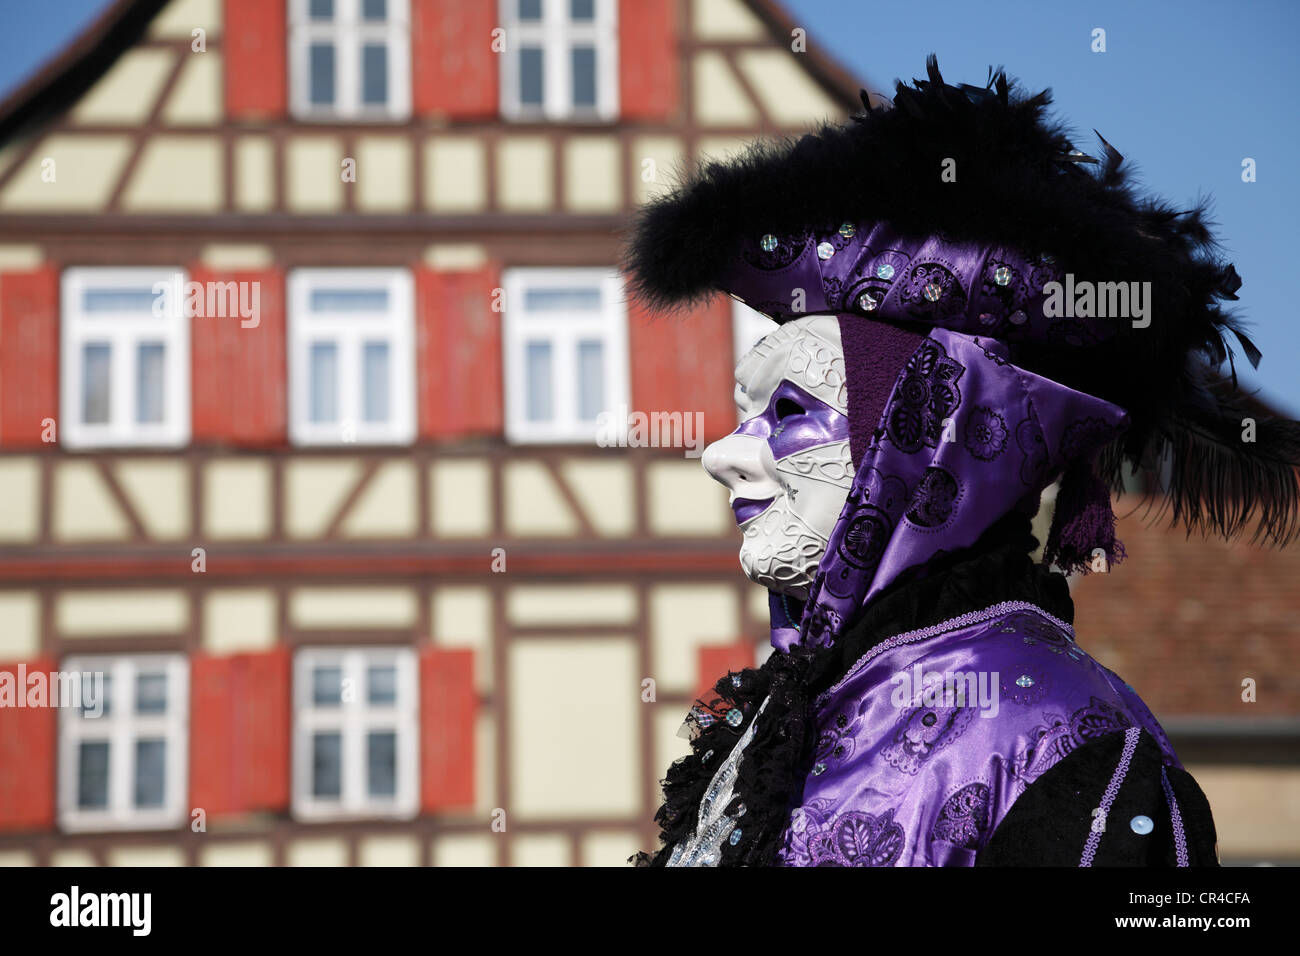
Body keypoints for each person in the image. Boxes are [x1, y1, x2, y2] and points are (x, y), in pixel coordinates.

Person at [624, 58, 1300, 867]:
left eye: (792, 413)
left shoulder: (1058, 743)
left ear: (930, 439)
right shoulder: (777, 729)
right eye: (744, 416)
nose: (723, 455)